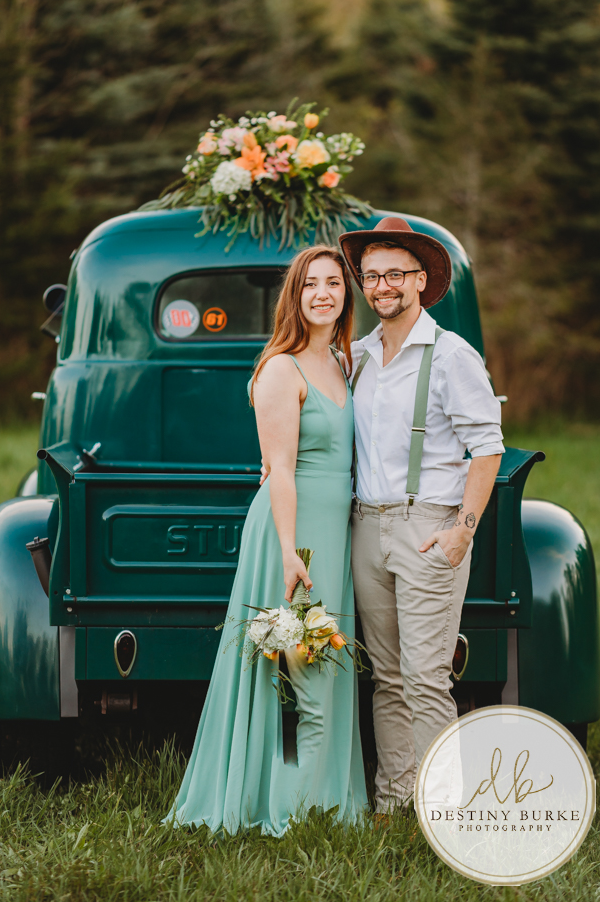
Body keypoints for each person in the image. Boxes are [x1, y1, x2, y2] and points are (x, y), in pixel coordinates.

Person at [166, 246, 368, 836]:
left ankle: (324, 802)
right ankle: (292, 807)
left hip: (335, 533)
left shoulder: (340, 362)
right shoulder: (282, 369)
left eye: (334, 283)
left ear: (345, 295)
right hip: (296, 535)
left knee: (328, 669)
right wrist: (287, 552)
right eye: (311, 285)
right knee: (304, 666)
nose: (324, 293)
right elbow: (279, 468)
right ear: (295, 296)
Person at [338, 216, 504, 816]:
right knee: (385, 676)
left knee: (426, 677)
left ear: (420, 280)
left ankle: (447, 813)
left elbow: (487, 445)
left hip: (428, 524)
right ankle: (394, 802)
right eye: (372, 275)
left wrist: (462, 531)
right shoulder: (356, 357)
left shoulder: (450, 354)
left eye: (395, 275)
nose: (381, 285)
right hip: (366, 526)